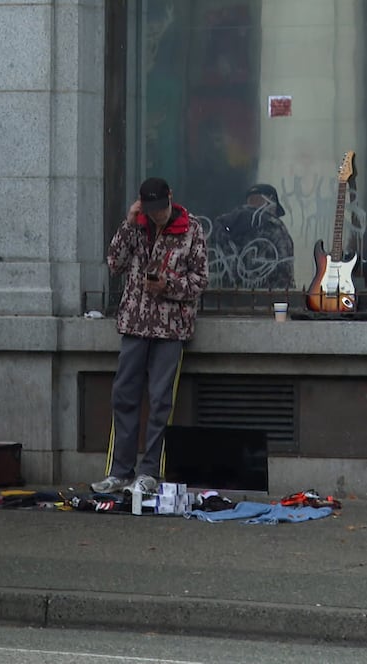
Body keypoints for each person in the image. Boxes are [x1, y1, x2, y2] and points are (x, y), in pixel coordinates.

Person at [92, 177, 209, 496]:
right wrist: (128, 226)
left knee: (160, 401)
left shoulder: (191, 228)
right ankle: (119, 471)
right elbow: (114, 264)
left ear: (170, 198)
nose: (157, 216)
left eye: (160, 209)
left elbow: (200, 280)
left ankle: (149, 471)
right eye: (150, 210)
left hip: (170, 328)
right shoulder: (137, 225)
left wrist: (168, 287)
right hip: (134, 323)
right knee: (124, 395)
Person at [209, 183, 294, 290]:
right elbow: (285, 271)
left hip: (227, 298)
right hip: (265, 298)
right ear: (270, 200)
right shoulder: (274, 227)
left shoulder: (223, 224)